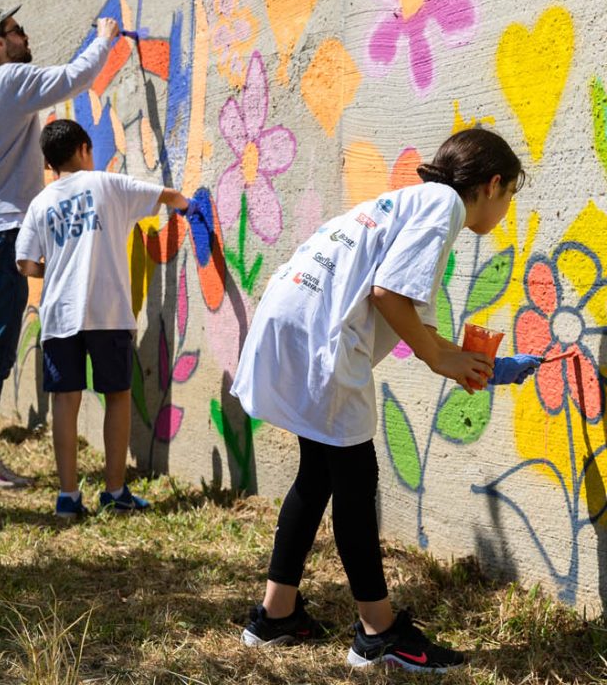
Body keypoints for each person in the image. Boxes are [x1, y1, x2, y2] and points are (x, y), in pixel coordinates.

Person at [231, 128, 541, 672]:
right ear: (492, 185)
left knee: (319, 475)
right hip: (323, 341)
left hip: (296, 323)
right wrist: (437, 358)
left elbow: (407, 314)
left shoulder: (413, 201)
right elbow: (388, 295)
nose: (505, 209)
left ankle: (275, 615)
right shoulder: (444, 205)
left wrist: (476, 364)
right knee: (354, 481)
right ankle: (379, 632)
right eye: (510, 195)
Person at [0, 6, 120, 490]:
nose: (25, 35)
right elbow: (73, 79)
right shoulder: (8, 80)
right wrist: (105, 37)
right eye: (15, 31)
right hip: (2, 235)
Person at [15, 119, 194, 514]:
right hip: (108, 311)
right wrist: (190, 209)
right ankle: (114, 493)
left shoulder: (41, 203)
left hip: (60, 314)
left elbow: (25, 264)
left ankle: (67, 496)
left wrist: (59, 266)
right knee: (117, 395)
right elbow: (169, 195)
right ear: (83, 149)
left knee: (65, 400)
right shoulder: (106, 184)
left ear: (49, 163)